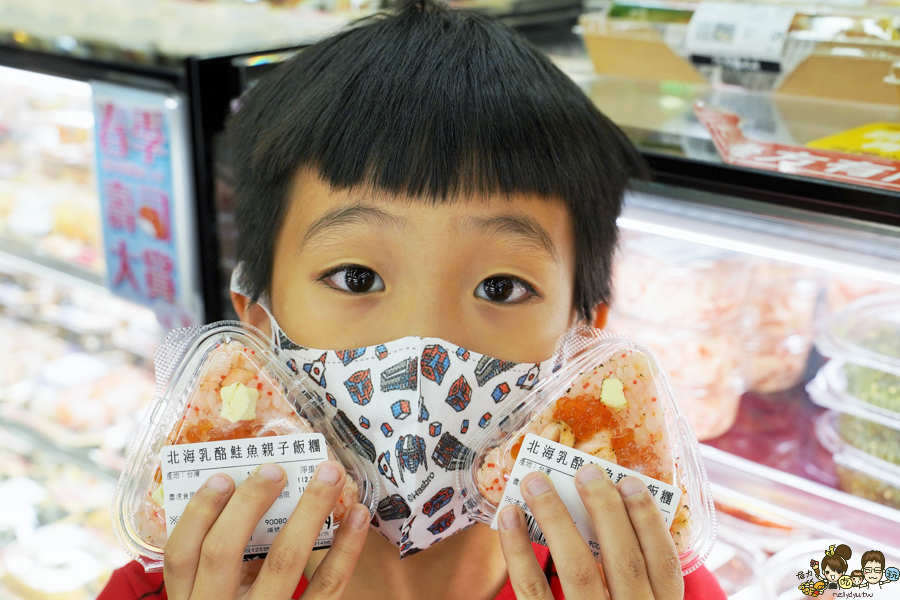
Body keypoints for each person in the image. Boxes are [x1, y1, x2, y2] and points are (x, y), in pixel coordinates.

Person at [99, 1, 727, 598]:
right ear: (259, 328)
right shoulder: (159, 589)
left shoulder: (652, 584)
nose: (423, 345)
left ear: (584, 348)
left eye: (501, 287)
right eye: (355, 277)